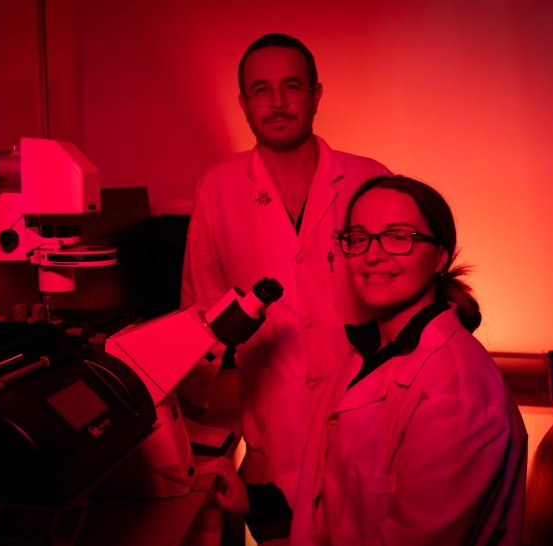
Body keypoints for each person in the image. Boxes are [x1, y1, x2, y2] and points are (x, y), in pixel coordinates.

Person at [204, 175, 527, 545]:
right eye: (358, 238)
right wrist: (259, 500)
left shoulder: (454, 391)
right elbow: (344, 473)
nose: (372, 254)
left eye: (398, 236)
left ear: (440, 256)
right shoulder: (369, 350)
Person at [180, 33, 389, 541]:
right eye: (261, 89)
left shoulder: (369, 180)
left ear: (316, 94)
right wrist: (189, 414)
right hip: (274, 440)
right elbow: (200, 309)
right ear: (244, 104)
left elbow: (402, 303)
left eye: (291, 86)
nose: (276, 101)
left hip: (364, 432)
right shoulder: (219, 186)